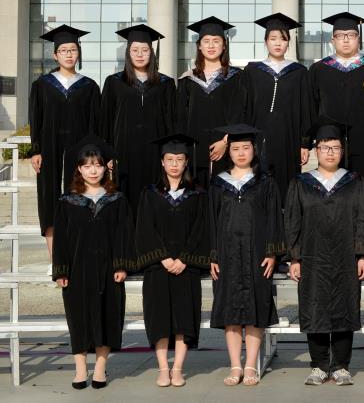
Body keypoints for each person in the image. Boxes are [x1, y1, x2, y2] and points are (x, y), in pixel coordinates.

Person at [284, 120, 364, 386]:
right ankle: (319, 365)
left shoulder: (355, 182)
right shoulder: (301, 183)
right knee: (314, 307)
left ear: (342, 150)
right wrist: (295, 257)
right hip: (312, 257)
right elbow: (293, 221)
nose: (330, 153)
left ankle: (341, 366)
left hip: (346, 257)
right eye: (325, 148)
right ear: (316, 150)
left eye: (335, 147)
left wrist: (363, 256)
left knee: (345, 307)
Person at [307, 11, 364, 279]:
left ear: (358, 39)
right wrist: (309, 141)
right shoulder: (319, 69)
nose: (345, 40)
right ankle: (335, 258)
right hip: (331, 144)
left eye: (351, 35)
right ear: (332, 40)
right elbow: (312, 108)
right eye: (340, 36)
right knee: (332, 200)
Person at [52, 135, 134, 390]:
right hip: (77, 271)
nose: (93, 170)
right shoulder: (67, 201)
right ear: (79, 169)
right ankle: (80, 369)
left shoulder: (116, 199)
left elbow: (124, 235)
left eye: (97, 165)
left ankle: (100, 368)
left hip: (108, 270)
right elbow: (61, 239)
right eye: (87, 166)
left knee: (107, 316)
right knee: (78, 319)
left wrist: (121, 265)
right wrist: (61, 271)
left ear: (105, 167)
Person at [208, 124, 285, 387]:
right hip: (226, 255)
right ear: (228, 152)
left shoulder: (266, 182)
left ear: (254, 149)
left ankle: (251, 365)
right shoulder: (218, 183)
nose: (241, 153)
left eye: (246, 148)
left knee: (255, 309)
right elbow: (211, 221)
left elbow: (274, 219)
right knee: (230, 312)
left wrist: (272, 253)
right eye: (235, 148)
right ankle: (235, 365)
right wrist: (213, 255)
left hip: (257, 254)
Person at [135, 133, 209, 388]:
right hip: (159, 267)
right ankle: (163, 368)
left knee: (183, 320)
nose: (174, 164)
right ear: (162, 162)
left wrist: (185, 259)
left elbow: (201, 230)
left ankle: (178, 369)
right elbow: (145, 228)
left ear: (186, 162)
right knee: (159, 319)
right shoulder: (149, 194)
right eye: (170, 159)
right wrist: (163, 257)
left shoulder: (197, 194)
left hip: (186, 269)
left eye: (179, 159)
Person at [30, 25, 101, 259]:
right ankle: (55, 259)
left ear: (78, 53)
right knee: (48, 198)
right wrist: (36, 150)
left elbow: (94, 123)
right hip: (49, 147)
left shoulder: (89, 86)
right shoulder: (42, 85)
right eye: (63, 50)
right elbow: (36, 120)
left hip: (80, 149)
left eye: (73, 49)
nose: (69, 54)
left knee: (79, 195)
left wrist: (94, 155)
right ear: (55, 55)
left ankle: (76, 255)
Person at [101, 24, 176, 216]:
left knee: (155, 202)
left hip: (155, 155)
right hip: (124, 154)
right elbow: (106, 121)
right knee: (125, 202)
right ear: (128, 53)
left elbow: (172, 122)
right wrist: (107, 154)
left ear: (152, 53)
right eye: (135, 50)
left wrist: (170, 154)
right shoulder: (114, 82)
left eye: (145, 50)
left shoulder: (165, 84)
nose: (140, 54)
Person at [240, 12, 312, 206]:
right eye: (273, 38)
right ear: (265, 42)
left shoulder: (299, 72)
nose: (278, 43)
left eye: (283, 38)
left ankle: (286, 222)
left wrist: (304, 143)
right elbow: (245, 107)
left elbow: (305, 109)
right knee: (258, 187)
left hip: (289, 139)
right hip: (259, 139)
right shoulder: (252, 71)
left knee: (287, 189)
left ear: (288, 43)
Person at [176, 17, 242, 188]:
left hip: (225, 150)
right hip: (194, 150)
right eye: (206, 41)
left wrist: (225, 141)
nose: (211, 46)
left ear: (224, 45)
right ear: (199, 46)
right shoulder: (187, 79)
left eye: (216, 41)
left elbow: (240, 112)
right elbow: (181, 119)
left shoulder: (236, 77)